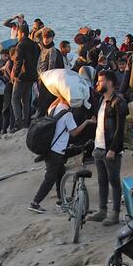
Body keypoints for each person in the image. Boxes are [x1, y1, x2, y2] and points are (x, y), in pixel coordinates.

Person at [28, 82, 79, 212]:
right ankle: (35, 202)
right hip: (57, 151)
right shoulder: (68, 115)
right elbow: (74, 132)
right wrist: (87, 122)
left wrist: (60, 93)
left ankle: (61, 200)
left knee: (60, 175)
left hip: (49, 148)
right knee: (50, 178)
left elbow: (54, 103)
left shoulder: (53, 108)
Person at [88, 70, 127, 224]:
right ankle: (102, 210)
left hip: (110, 148)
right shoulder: (101, 100)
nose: (98, 83)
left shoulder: (118, 102)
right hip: (98, 146)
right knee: (102, 180)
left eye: (101, 80)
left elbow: (119, 128)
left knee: (114, 180)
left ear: (109, 83)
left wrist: (113, 149)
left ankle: (115, 213)